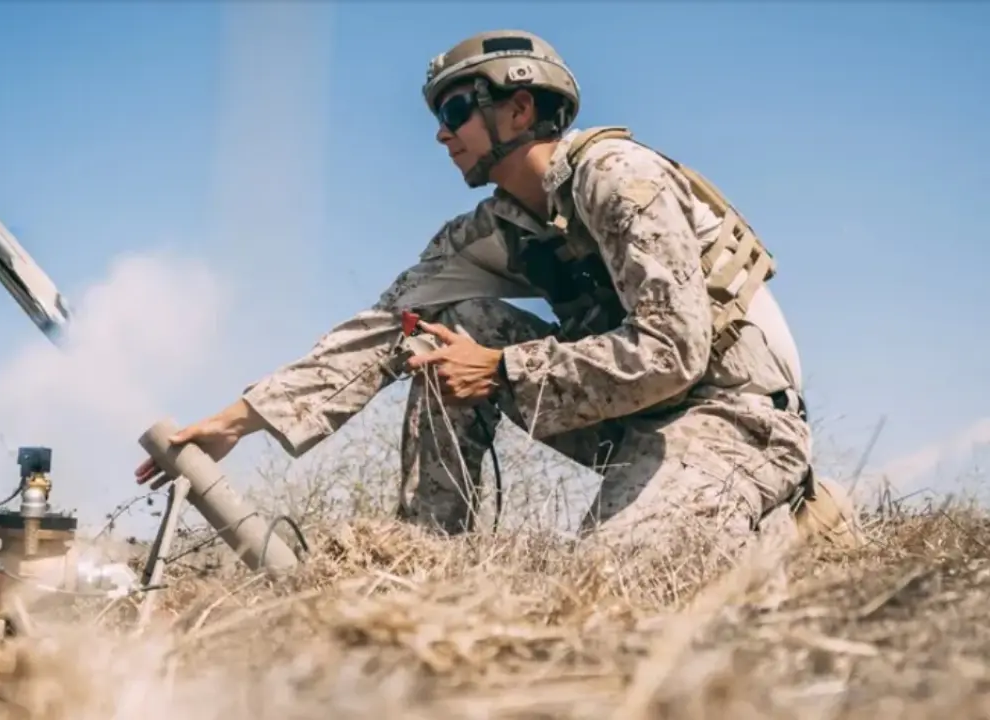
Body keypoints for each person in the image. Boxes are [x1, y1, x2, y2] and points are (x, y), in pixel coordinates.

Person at [135, 29, 861, 559]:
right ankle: (424, 558)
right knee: (445, 328)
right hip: (634, 420)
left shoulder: (620, 179)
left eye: (455, 110)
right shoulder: (497, 229)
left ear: (518, 109)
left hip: (733, 417)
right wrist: (237, 421)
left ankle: (790, 518)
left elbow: (674, 349)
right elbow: (385, 327)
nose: (441, 135)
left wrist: (505, 369)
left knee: (610, 585)